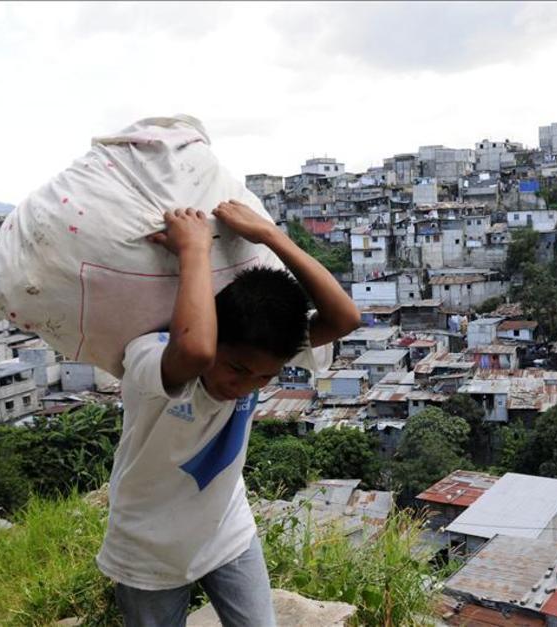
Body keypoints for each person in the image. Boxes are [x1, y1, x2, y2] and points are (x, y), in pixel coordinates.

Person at [97, 200, 361, 626]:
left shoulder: (261, 351)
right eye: (237, 369)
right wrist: (194, 251)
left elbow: (345, 317)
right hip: (148, 545)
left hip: (226, 529)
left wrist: (270, 235)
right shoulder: (151, 356)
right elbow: (198, 350)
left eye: (264, 378)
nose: (245, 385)